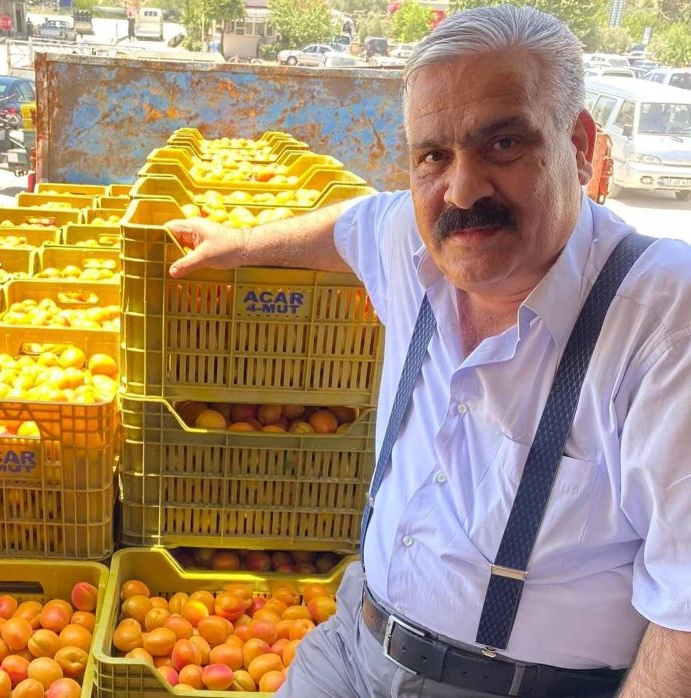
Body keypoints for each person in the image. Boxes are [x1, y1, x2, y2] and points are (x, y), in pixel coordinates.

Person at [166, 5, 691, 697]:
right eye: (433, 156)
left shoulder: (662, 319)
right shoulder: (411, 241)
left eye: (503, 145)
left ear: (580, 144)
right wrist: (238, 245)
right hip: (354, 642)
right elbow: (350, 223)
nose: (464, 189)